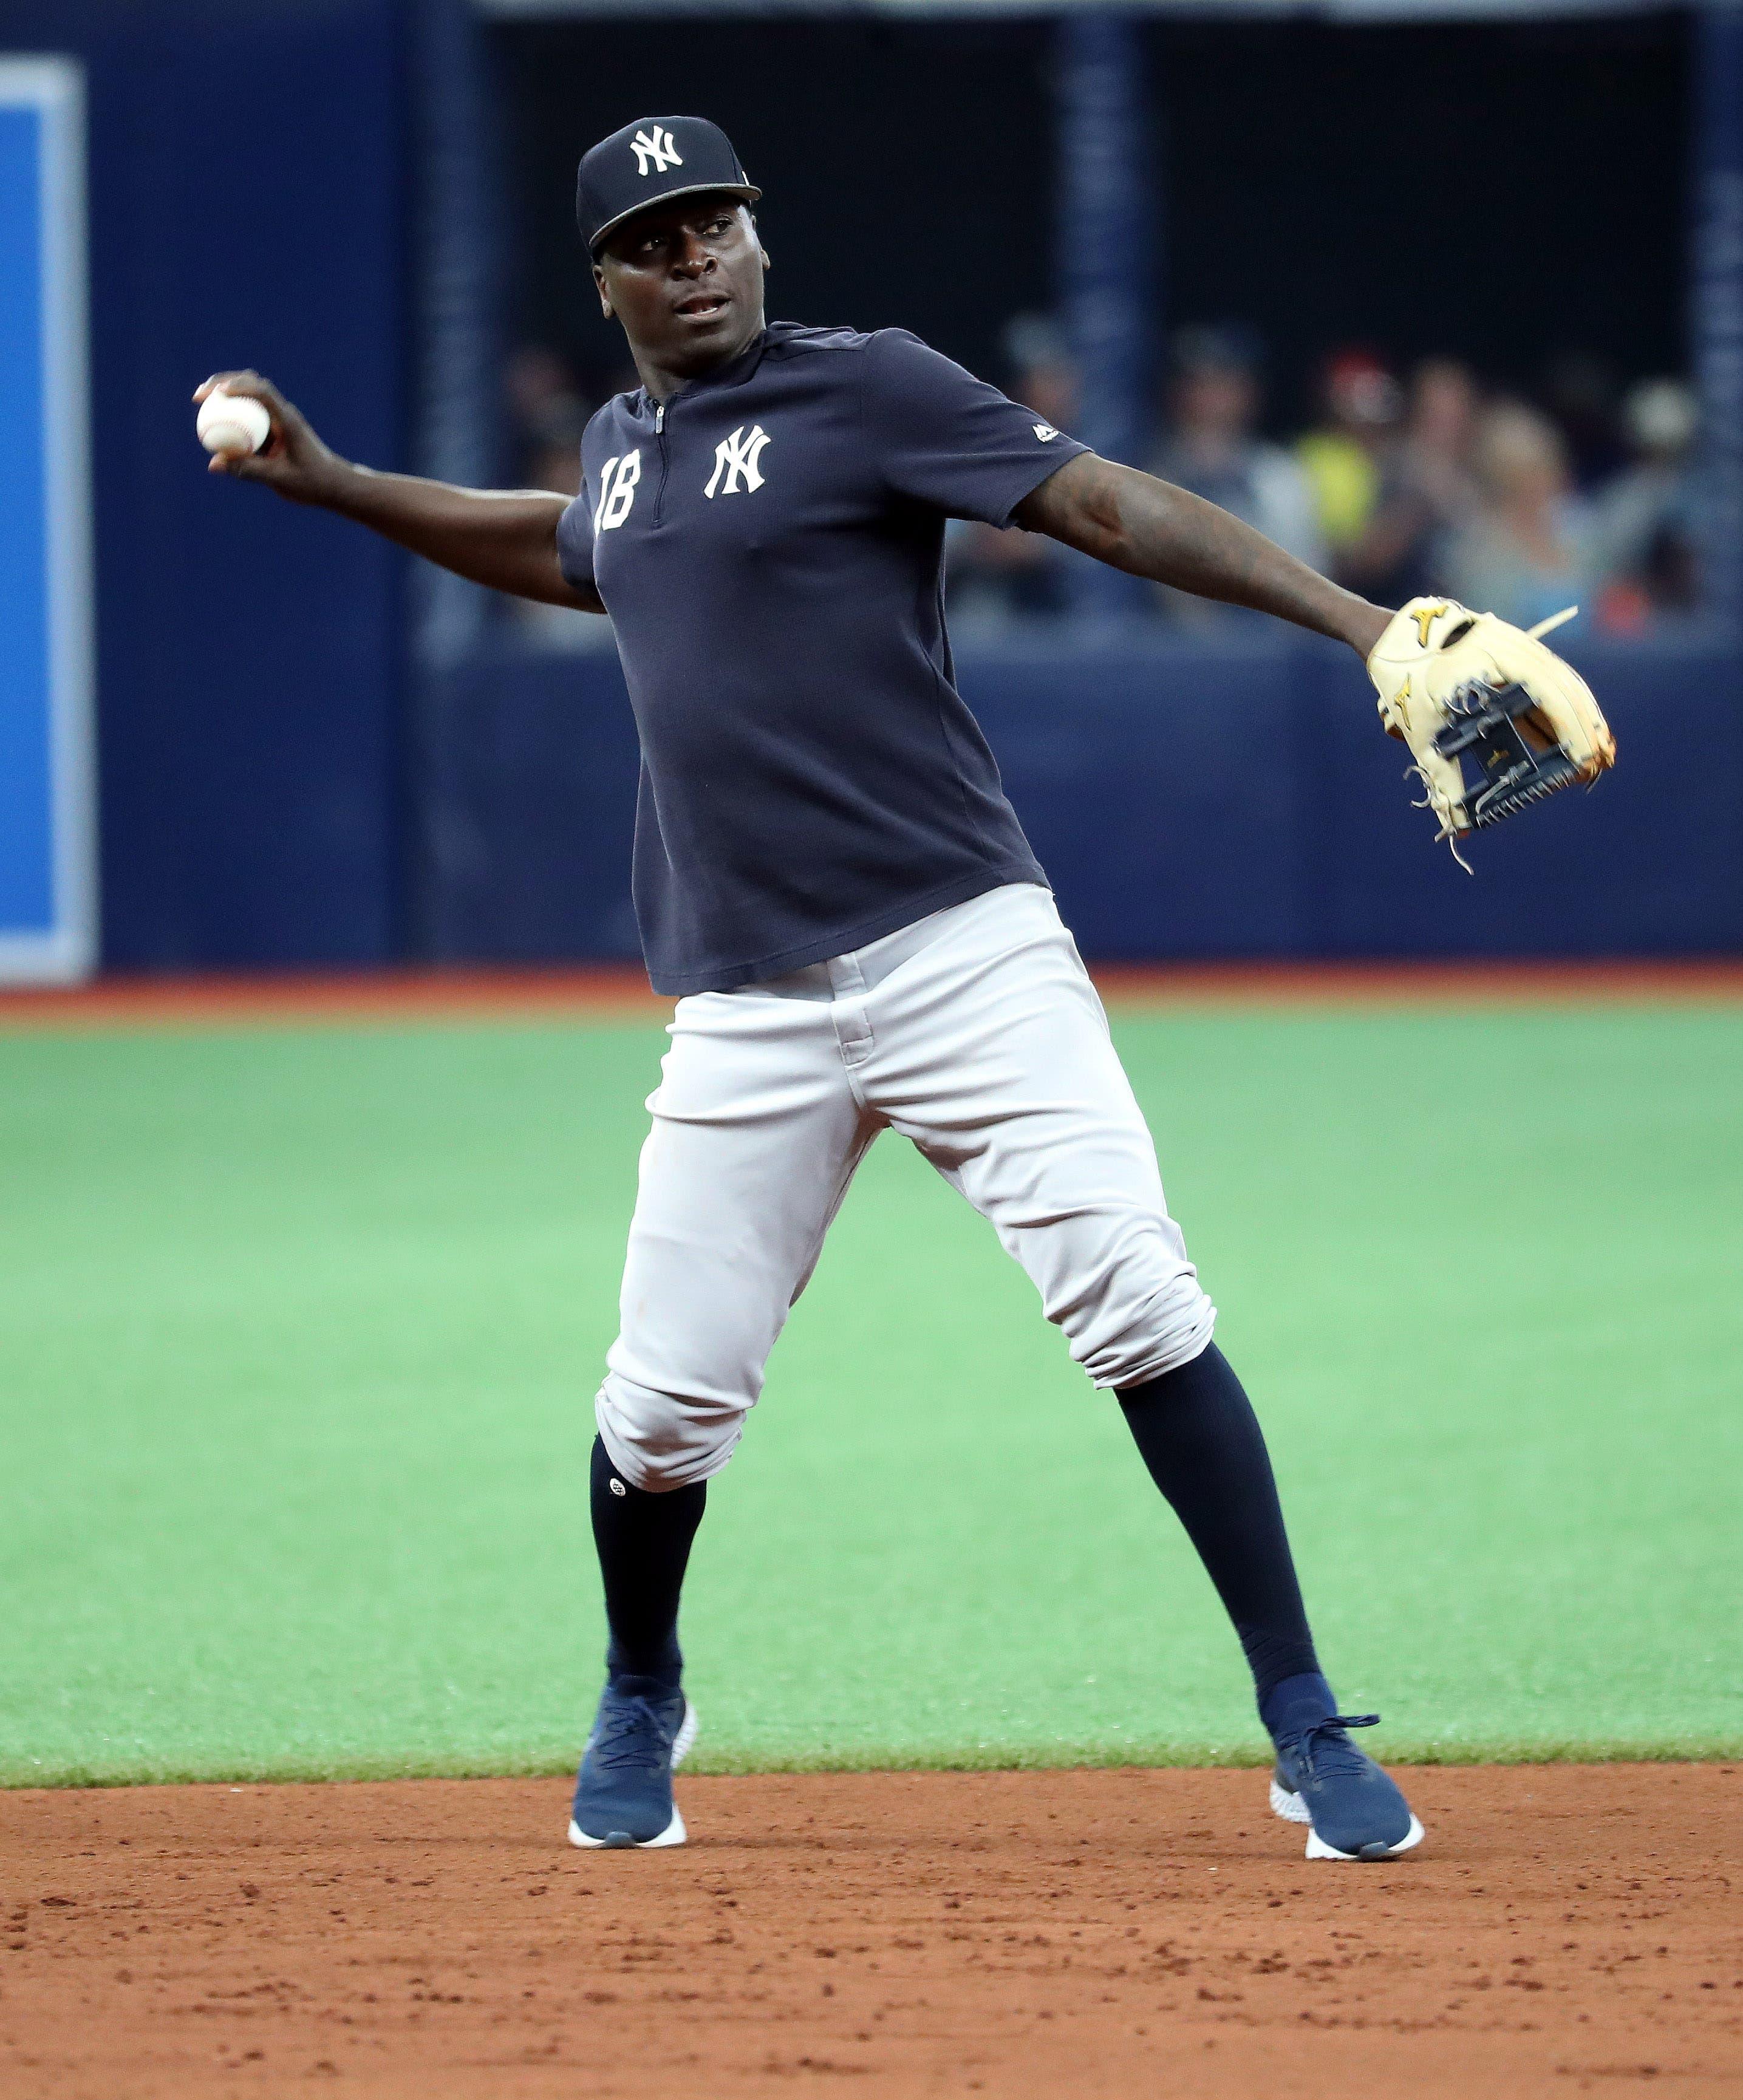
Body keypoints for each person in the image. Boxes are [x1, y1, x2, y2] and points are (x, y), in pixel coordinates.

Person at [196, 114, 1424, 1864]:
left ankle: (1302, 1718)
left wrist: (1359, 623)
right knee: (661, 1405)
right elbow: (555, 547)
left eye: (715, 223)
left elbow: (1095, 502)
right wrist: (331, 484)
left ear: (758, 240)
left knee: (1138, 1307)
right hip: (745, 998)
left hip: (958, 943)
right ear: (605, 278)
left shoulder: (869, 391)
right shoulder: (622, 451)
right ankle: (640, 1689)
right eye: (651, 237)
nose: (690, 256)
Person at [1149, 325, 1325, 626]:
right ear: (1178, 392)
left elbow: (1311, 577)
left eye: (1227, 383)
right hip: (1172, 651)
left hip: (1273, 645)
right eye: (1202, 383)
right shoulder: (1150, 474)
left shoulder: (1279, 474)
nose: (1216, 397)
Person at [1442, 401, 1592, 632]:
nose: (1551, 479)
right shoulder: (1478, 553)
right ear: (1509, 480)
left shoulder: (1577, 532)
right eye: (1535, 472)